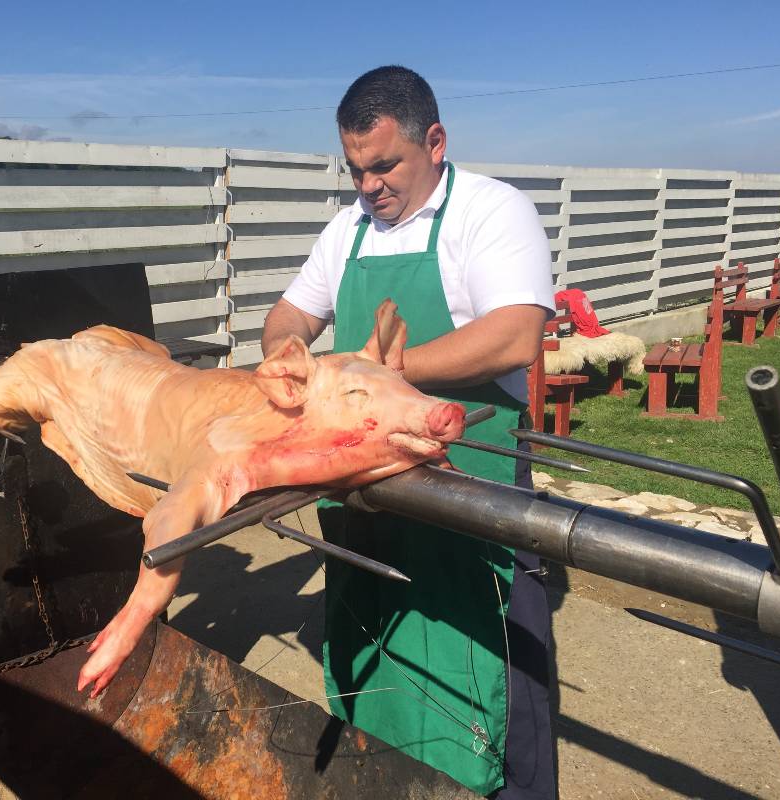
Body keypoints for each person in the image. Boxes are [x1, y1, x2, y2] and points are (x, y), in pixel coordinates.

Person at [261, 66, 556, 798]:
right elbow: (291, 313)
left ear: (435, 141)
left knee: (488, 664)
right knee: (374, 641)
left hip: (468, 479)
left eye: (385, 165)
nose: (369, 186)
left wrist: (379, 376)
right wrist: (287, 354)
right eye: (355, 169)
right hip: (364, 487)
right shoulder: (348, 230)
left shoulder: (491, 210)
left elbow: (514, 334)